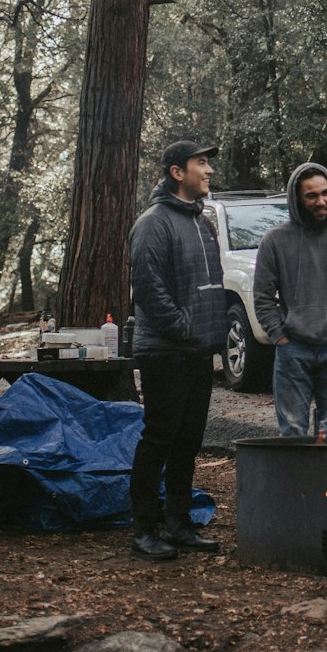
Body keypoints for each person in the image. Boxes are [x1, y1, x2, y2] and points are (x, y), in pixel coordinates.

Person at [127, 139, 227, 561]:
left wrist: (208, 335)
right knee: (158, 440)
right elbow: (149, 290)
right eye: (200, 164)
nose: (208, 171)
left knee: (188, 442)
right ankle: (145, 529)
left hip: (197, 351)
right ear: (176, 173)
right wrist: (185, 328)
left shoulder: (201, 222)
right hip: (165, 352)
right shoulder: (154, 222)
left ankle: (180, 524)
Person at [253, 162, 327, 438]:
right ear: (297, 199)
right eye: (312, 196)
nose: (321, 201)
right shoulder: (274, 241)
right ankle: (297, 484)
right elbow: (262, 297)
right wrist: (279, 336)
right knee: (292, 433)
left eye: (325, 193)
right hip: (292, 350)